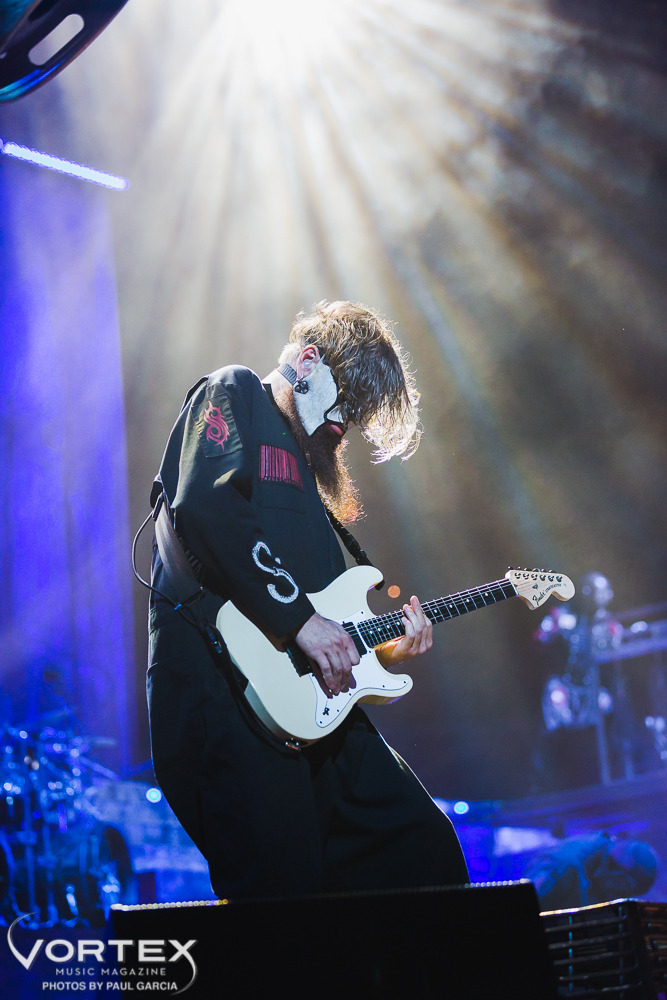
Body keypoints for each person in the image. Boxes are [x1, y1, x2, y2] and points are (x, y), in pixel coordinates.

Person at [147, 300, 468, 900]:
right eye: (343, 406)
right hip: (228, 691)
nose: (340, 426)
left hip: (315, 711)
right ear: (308, 362)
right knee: (281, 902)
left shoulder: (308, 480)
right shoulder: (234, 390)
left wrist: (379, 651)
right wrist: (301, 621)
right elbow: (204, 506)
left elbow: (326, 621)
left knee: (420, 845)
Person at [526, 832, 659, 911]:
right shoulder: (562, 867)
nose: (618, 896)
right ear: (621, 876)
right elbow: (521, 910)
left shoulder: (599, 865)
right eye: (623, 891)